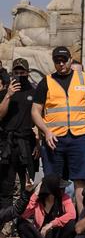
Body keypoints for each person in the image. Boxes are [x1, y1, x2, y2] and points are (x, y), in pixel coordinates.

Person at [33, 46, 85, 206]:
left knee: (81, 182)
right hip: (54, 139)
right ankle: (51, 223)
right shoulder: (46, 81)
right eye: (57, 61)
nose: (61, 64)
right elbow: (35, 111)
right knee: (52, 182)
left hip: (79, 138)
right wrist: (46, 131)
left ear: (70, 60)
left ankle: (80, 226)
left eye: (64, 60)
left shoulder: (84, 78)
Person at [0, 59, 38, 213]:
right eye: (16, 73)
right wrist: (8, 95)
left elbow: (40, 118)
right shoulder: (4, 93)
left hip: (27, 143)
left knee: (27, 184)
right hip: (7, 144)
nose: (19, 75)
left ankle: (23, 219)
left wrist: (38, 143)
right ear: (12, 74)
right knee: (5, 187)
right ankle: (6, 221)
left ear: (28, 73)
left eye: (22, 72)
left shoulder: (35, 93)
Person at [16, 173, 75, 238]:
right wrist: (35, 194)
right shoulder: (38, 200)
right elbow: (24, 214)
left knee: (71, 223)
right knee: (21, 222)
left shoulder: (64, 198)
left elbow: (72, 214)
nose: (63, 190)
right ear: (51, 189)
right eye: (60, 188)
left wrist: (50, 225)